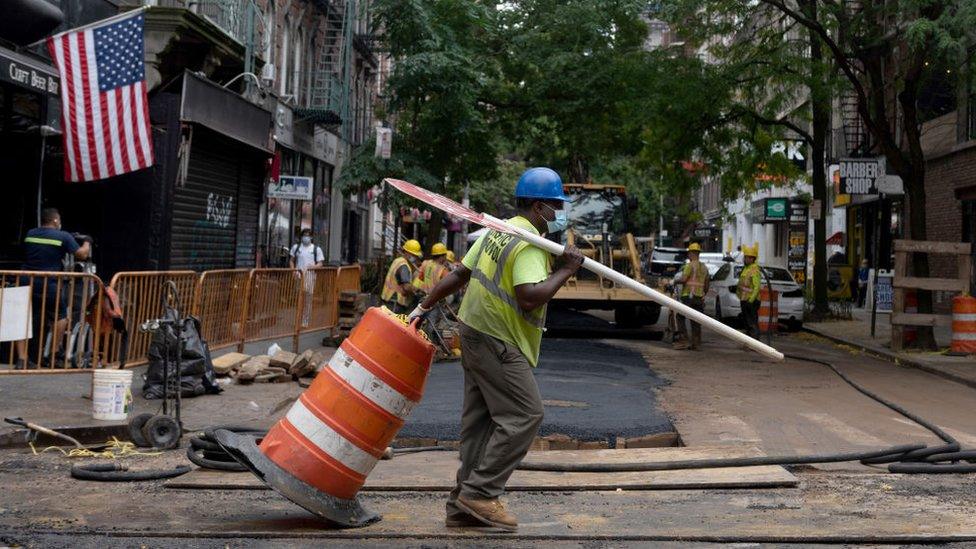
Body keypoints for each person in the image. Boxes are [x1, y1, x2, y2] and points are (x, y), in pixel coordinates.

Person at [407, 167, 584, 531]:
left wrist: (424, 306)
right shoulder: (530, 243)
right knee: (525, 414)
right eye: (556, 205)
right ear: (539, 207)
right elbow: (529, 297)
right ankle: (481, 493)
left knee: (480, 423)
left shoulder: (497, 232)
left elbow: (459, 275)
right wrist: (566, 269)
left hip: (472, 331)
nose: (560, 212)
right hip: (498, 340)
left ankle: (461, 505)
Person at [15, 208, 91, 370]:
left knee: (23, 319)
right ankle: (54, 353)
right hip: (48, 283)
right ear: (56, 221)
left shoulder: (30, 233)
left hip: (25, 280)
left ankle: (22, 359)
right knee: (61, 316)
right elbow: (82, 254)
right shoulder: (63, 236)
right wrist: (87, 241)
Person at [672, 242, 709, 350]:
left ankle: (684, 340)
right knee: (696, 320)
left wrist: (674, 281)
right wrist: (703, 294)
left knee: (680, 316)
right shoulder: (704, 267)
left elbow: (683, 279)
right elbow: (707, 284)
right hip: (698, 297)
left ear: (692, 253)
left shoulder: (690, 265)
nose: (688, 255)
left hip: (688, 296)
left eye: (689, 253)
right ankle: (696, 343)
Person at [381, 239, 423, 313]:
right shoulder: (404, 266)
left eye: (416, 256)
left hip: (388, 300)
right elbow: (406, 287)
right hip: (395, 302)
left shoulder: (398, 260)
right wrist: (416, 289)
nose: (415, 257)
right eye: (413, 255)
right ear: (406, 252)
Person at [738, 245, 762, 340]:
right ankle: (749, 342)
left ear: (752, 259)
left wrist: (750, 300)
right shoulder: (746, 268)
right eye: (745, 257)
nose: (745, 259)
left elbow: (757, 287)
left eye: (746, 257)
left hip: (751, 301)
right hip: (745, 299)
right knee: (747, 323)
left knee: (752, 322)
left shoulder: (754, 270)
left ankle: (755, 342)